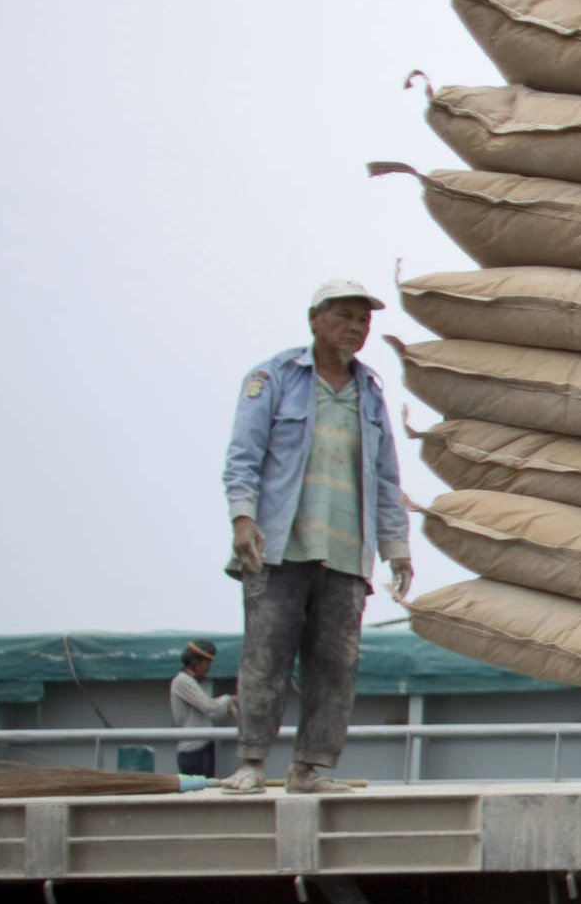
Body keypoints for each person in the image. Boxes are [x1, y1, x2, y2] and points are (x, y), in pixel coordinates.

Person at [219, 280, 410, 794]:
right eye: (344, 316)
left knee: (335, 667)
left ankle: (308, 769)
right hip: (279, 547)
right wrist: (242, 518)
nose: (356, 327)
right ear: (314, 320)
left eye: (363, 320)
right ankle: (252, 762)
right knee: (266, 657)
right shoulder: (274, 377)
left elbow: (386, 476)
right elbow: (243, 457)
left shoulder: (370, 392)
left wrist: (396, 547)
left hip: (346, 552)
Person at [165, 639, 235, 778]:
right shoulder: (182, 681)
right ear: (195, 662)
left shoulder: (190, 681)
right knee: (199, 789)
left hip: (202, 745)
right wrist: (229, 699)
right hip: (193, 750)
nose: (208, 667)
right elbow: (207, 705)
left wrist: (226, 706)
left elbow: (208, 712)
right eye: (207, 663)